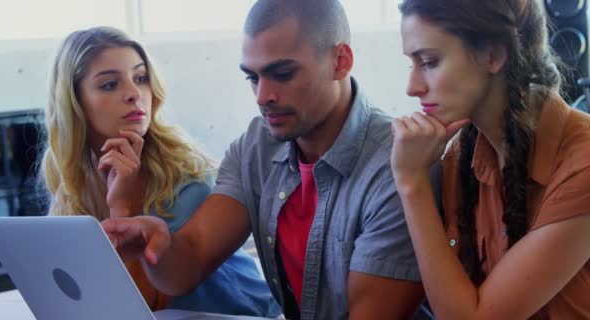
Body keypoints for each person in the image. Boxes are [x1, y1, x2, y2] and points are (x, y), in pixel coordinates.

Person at [102, 1, 425, 319]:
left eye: (282, 74)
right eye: (253, 78)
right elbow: (190, 262)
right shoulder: (256, 147)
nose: (262, 96)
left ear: (340, 62)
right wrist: (157, 243)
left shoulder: (398, 165)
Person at [40, 26, 281, 317]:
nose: (133, 93)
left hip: (241, 314)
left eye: (141, 78)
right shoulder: (73, 181)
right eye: (109, 85)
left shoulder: (185, 175)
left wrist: (121, 208)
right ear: (74, 101)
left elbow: (146, 300)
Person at [391, 0, 590, 319]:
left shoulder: (582, 163)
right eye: (411, 64)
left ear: (493, 55)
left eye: (429, 62)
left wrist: (412, 184)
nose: (412, 87)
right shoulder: (461, 154)